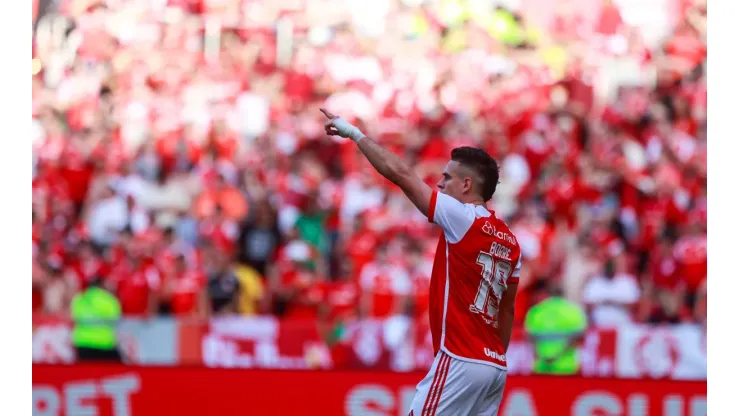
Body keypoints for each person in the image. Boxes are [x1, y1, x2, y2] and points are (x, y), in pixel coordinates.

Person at [321, 109, 522, 416]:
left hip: (459, 357)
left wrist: (355, 134)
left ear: (466, 185)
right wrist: (492, 355)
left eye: (446, 178)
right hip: (493, 364)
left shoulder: (461, 218)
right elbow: (506, 310)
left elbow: (401, 174)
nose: (439, 185)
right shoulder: (510, 241)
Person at [524, 286, 588, 375]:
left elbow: (530, 337)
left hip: (542, 365)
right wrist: (556, 356)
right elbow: (579, 337)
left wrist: (544, 356)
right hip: (566, 366)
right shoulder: (573, 311)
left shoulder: (536, 311)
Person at [70, 277, 122, 362]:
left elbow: (74, 316)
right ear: (102, 285)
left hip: (82, 342)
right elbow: (116, 317)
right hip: (104, 343)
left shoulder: (80, 298)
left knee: (86, 372)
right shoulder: (109, 299)